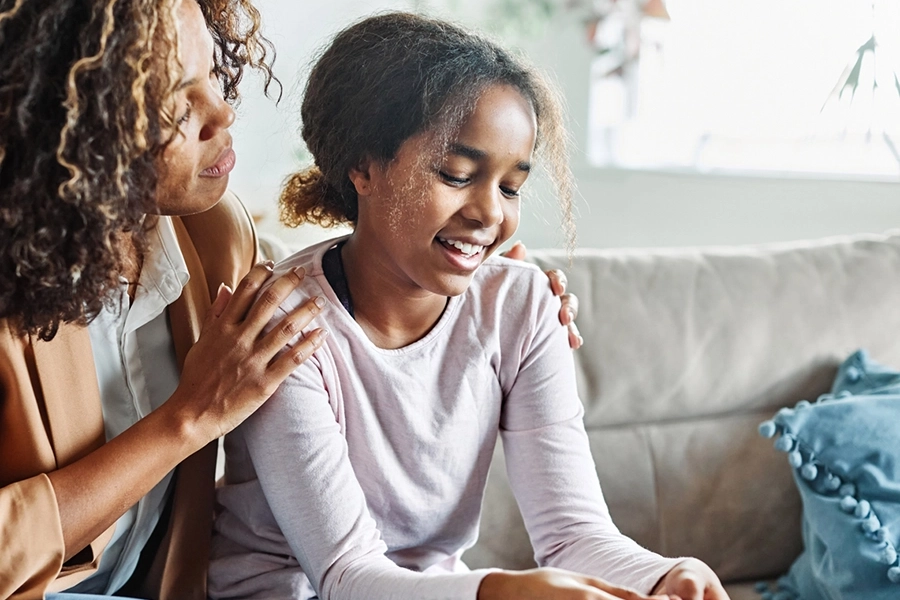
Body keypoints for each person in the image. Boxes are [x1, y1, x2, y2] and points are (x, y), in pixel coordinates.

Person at [0, 2, 579, 598]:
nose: (222, 112)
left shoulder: (213, 235)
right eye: (175, 99)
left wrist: (486, 270)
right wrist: (188, 417)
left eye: (213, 77)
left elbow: (346, 277)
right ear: (66, 123)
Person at [208, 12, 730, 600]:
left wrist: (664, 574)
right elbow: (345, 575)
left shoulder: (523, 305)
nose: (490, 215)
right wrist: (501, 591)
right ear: (364, 166)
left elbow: (573, 535)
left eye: (510, 187)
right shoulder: (287, 326)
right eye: (457, 174)